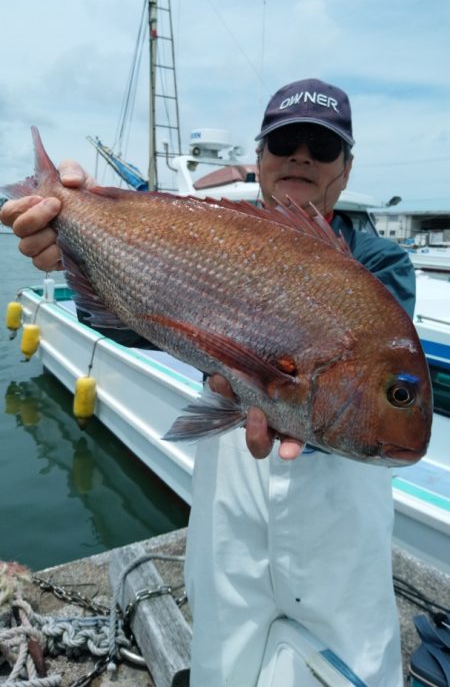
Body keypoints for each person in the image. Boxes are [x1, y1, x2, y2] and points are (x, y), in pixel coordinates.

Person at [1, 78, 415, 687]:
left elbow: (377, 371)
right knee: (223, 667)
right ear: (260, 157)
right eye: (284, 142)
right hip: (229, 529)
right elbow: (132, 324)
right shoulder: (216, 234)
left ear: (346, 170)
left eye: (321, 148)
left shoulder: (380, 269)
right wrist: (69, 239)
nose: (301, 156)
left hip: (340, 546)